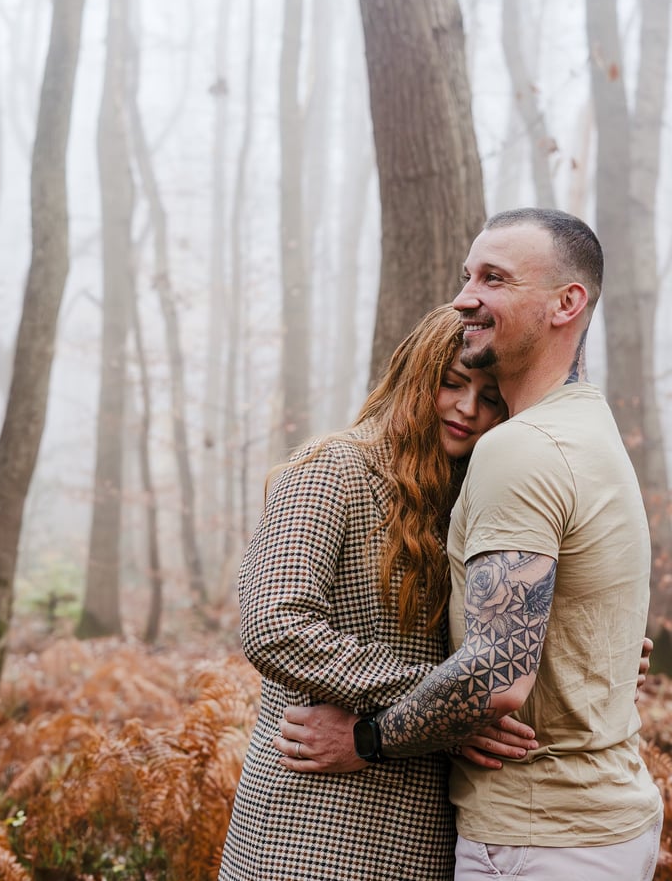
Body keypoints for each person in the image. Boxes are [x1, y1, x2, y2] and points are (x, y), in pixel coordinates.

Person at [275, 208, 663, 881]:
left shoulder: (521, 449)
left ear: (566, 303)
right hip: (593, 824)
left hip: (539, 838)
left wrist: (365, 739)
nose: (464, 297)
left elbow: (495, 676)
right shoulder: (586, 426)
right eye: (467, 275)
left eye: (494, 278)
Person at [218, 305, 537, 881]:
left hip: (423, 827)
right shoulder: (331, 468)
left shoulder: (475, 501)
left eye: (490, 398)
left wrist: (597, 650)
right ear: (416, 376)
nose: (468, 408)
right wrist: (450, 700)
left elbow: (498, 641)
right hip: (310, 824)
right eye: (452, 383)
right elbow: (275, 625)